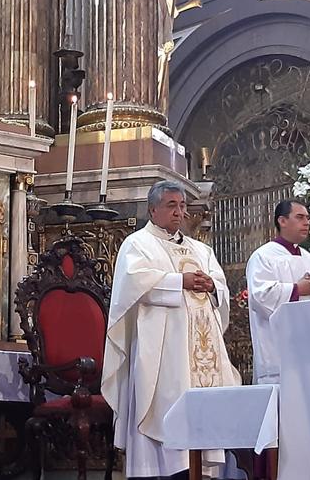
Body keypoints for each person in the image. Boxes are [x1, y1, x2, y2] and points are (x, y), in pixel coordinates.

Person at [102, 181, 241, 480]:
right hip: (163, 350)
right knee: (165, 405)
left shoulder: (200, 249)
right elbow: (134, 283)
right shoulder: (138, 244)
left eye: (182, 206)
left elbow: (220, 286)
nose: (179, 212)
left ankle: (202, 469)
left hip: (202, 350)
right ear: (153, 209)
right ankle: (163, 470)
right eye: (171, 206)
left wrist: (212, 286)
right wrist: (181, 281)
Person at [246, 199, 310, 385]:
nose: (307, 222)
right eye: (300, 217)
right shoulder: (264, 256)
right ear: (282, 221)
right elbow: (260, 297)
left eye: (308, 218)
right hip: (278, 351)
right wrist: (296, 289)